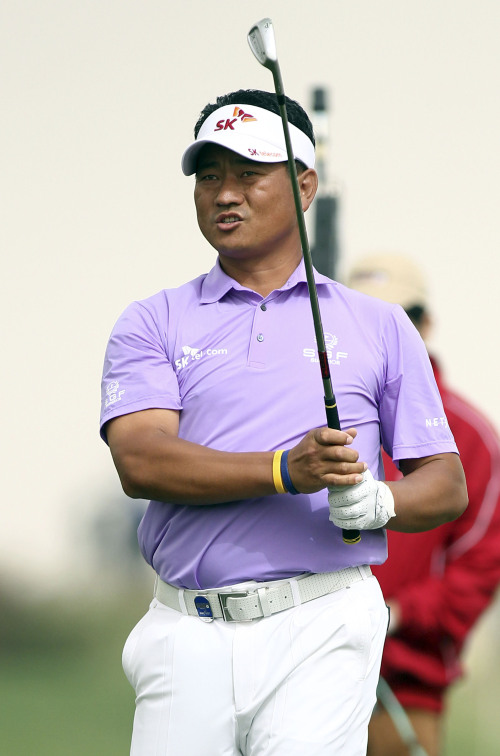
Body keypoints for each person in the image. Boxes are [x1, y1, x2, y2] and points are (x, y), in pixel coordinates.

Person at [100, 90, 467, 756]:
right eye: (209, 176)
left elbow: (445, 484)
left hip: (322, 621)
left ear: (304, 186)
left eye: (247, 173)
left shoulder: (380, 325)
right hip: (186, 626)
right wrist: (283, 471)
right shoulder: (152, 319)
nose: (224, 194)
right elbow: (141, 461)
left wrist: (380, 501)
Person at [347, 253, 500, 756]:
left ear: (425, 323)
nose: (384, 331)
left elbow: (479, 567)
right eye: (364, 314)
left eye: (401, 317)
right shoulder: (309, 418)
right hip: (298, 671)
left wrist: (400, 613)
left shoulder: (471, 436)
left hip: (405, 685)